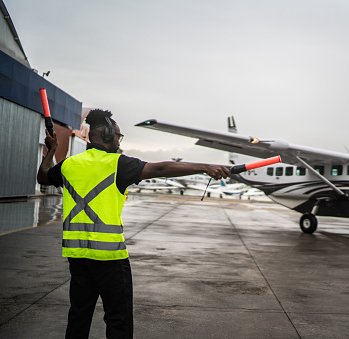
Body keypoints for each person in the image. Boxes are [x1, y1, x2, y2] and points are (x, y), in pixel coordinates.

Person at [37, 109, 230, 338]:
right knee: (119, 320)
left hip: (78, 257)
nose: (119, 140)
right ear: (108, 135)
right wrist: (204, 166)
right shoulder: (117, 164)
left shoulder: (69, 165)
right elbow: (160, 168)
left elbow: (43, 176)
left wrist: (51, 151)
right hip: (110, 259)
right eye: (118, 135)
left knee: (79, 316)